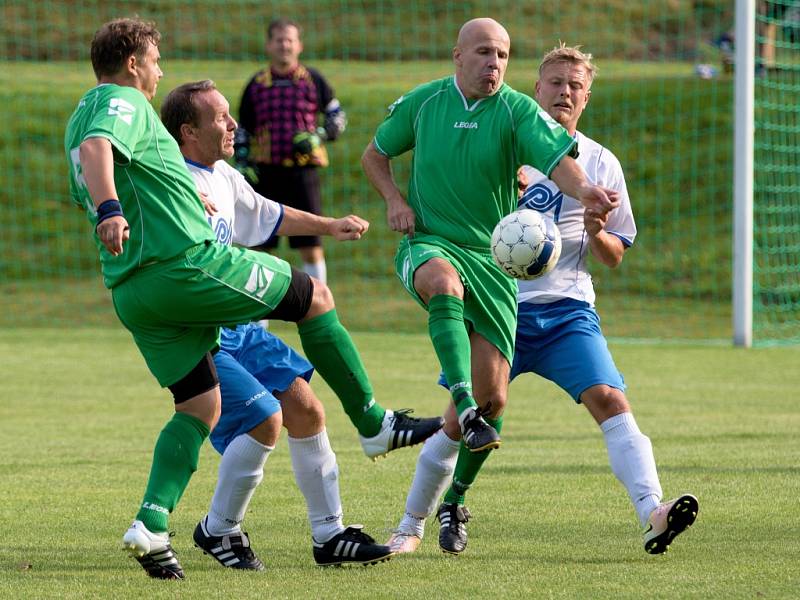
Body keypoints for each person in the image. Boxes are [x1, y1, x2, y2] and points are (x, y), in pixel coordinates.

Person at [64, 18, 440, 580]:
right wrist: (109, 209)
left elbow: (252, 209)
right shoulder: (119, 99)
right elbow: (100, 146)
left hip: (134, 291)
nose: (159, 70)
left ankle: (152, 523)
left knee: (200, 406)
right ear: (134, 63)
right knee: (312, 295)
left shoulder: (100, 121)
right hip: (182, 269)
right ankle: (371, 422)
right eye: (155, 60)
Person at [384, 43, 699, 557]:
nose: (564, 93)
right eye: (555, 83)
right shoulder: (506, 137)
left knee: (611, 400)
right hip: (496, 301)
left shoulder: (600, 163)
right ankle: (413, 522)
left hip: (567, 310)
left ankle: (653, 511)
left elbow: (615, 254)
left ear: (587, 97)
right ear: (536, 89)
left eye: (575, 86)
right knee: (463, 418)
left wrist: (597, 230)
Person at [361, 19, 618, 555]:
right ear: (458, 56)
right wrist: (394, 200)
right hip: (429, 240)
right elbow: (375, 154)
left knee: (494, 398)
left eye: (502, 54)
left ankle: (455, 498)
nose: (493, 63)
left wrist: (590, 190)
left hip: (493, 262)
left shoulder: (518, 111)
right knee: (441, 285)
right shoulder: (425, 103)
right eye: (483, 52)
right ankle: (409, 523)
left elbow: (560, 163)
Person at [160, 79, 397, 569]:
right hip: (202, 334)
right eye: (221, 117)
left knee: (306, 410)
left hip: (240, 326)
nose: (233, 125)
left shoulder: (223, 174)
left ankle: (329, 535)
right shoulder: (170, 180)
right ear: (187, 131)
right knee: (265, 418)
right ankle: (218, 530)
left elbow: (267, 215)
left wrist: (328, 225)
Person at [235, 17, 346, 284]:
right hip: (265, 174)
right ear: (268, 45)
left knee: (311, 245)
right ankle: (257, 319)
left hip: (303, 174)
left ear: (299, 45)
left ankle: (318, 306)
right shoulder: (256, 85)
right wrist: (241, 160)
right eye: (279, 40)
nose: (284, 45)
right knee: (259, 246)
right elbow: (242, 129)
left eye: (290, 40)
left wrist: (317, 136)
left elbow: (337, 117)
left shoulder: (313, 80)